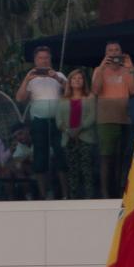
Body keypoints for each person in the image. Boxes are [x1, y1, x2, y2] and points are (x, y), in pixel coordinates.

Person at [16, 46, 69, 200]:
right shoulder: (31, 77)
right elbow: (20, 98)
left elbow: (71, 92)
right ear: (35, 60)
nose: (44, 61)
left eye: (46, 58)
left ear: (50, 59)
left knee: (60, 155)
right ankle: (44, 194)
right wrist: (27, 79)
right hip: (38, 122)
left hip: (58, 122)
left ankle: (65, 194)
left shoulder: (59, 75)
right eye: (41, 58)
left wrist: (57, 79)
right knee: (40, 157)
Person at [91, 41, 134, 197]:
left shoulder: (126, 70)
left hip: (124, 118)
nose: (113, 52)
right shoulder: (99, 70)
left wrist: (130, 67)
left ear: (121, 52)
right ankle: (105, 192)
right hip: (106, 119)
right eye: (110, 50)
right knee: (107, 156)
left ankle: (119, 191)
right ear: (106, 53)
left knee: (122, 156)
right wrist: (101, 67)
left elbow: (133, 90)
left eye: (116, 49)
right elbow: (96, 90)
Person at [58, 68, 98, 198]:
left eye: (80, 78)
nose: (77, 80)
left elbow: (92, 116)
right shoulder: (62, 99)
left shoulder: (90, 97)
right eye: (74, 78)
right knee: (72, 170)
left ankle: (89, 196)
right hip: (68, 138)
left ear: (84, 81)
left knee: (87, 169)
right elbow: (58, 120)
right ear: (69, 81)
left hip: (85, 137)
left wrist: (79, 128)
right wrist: (69, 131)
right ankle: (73, 197)